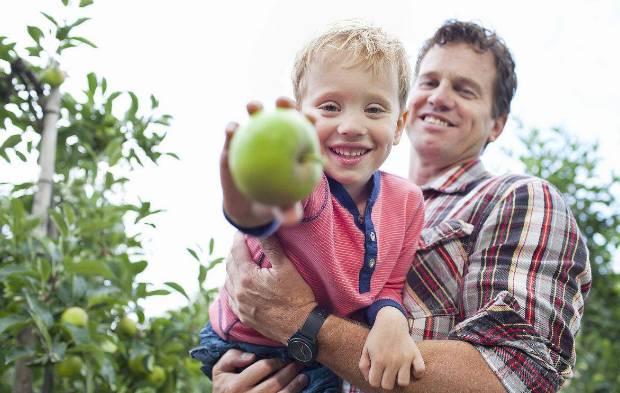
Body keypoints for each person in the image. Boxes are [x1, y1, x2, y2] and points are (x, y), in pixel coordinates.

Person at [209, 19, 592, 393]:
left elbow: (517, 375)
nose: (440, 97)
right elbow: (261, 211)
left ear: (497, 125)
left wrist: (302, 324)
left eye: (465, 90)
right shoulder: (319, 182)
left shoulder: (517, 198)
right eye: (429, 82)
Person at [190, 21, 426, 392]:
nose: (351, 125)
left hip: (316, 348)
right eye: (330, 107)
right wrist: (243, 193)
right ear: (301, 118)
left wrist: (390, 320)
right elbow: (262, 214)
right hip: (249, 346)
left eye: (375, 109)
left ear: (399, 125)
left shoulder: (408, 203)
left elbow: (389, 284)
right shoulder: (305, 182)